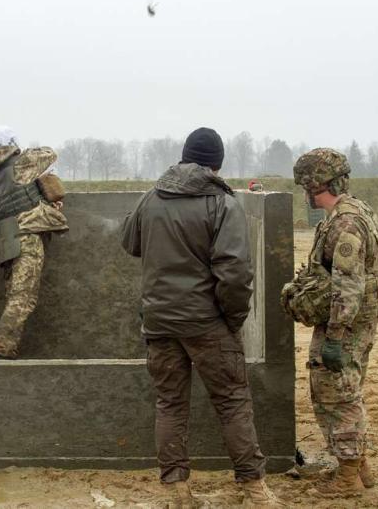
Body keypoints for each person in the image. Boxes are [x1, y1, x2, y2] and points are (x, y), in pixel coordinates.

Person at [120, 127, 283, 508]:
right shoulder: (221, 204)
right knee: (231, 401)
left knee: (170, 404)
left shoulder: (152, 197)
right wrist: (232, 318)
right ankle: (255, 491)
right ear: (217, 164)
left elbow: (130, 240)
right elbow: (235, 273)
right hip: (207, 323)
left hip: (159, 323)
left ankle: (177, 493)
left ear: (183, 157)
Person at [283, 148, 378, 497]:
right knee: (348, 389)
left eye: (306, 186)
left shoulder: (345, 223)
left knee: (336, 394)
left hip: (346, 322)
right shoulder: (353, 211)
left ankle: (347, 477)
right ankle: (359, 468)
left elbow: (348, 283)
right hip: (356, 320)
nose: (304, 193)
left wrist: (335, 336)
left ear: (318, 185)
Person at [0, 125, 68, 359]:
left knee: (14, 293)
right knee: (23, 297)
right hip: (27, 236)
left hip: (6, 239)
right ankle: (3, 347)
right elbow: (49, 154)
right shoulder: (21, 163)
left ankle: (5, 347)